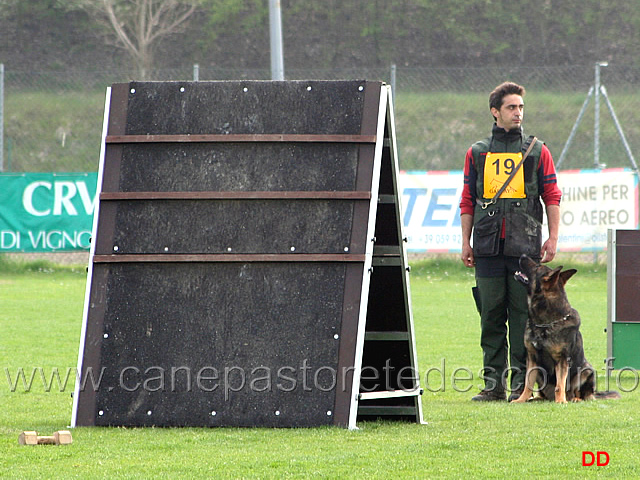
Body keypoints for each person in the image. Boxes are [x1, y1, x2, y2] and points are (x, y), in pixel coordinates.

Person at [459, 81, 562, 402]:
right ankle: (493, 385)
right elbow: (467, 200)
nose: (518, 113)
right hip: (487, 246)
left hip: (525, 249)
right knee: (490, 316)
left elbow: (552, 195)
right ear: (495, 112)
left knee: (522, 318)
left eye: (520, 107)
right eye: (511, 107)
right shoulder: (477, 152)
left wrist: (553, 237)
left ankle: (522, 385)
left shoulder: (537, 150)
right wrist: (465, 241)